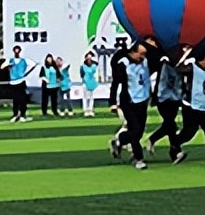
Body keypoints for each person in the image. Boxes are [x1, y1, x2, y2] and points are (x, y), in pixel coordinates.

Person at [172, 50, 205, 167]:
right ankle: (175, 143)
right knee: (189, 132)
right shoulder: (192, 68)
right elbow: (179, 68)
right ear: (200, 61)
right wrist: (186, 53)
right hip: (191, 107)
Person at [108, 41, 152, 170]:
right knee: (135, 130)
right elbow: (115, 83)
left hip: (142, 101)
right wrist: (112, 103)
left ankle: (119, 141)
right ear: (133, 52)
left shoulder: (145, 62)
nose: (142, 56)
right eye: (141, 54)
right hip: (129, 102)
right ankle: (139, 159)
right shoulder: (123, 64)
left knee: (139, 132)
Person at [147, 52, 185, 158]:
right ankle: (176, 151)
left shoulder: (180, 67)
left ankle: (153, 139)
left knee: (169, 125)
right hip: (163, 99)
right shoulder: (163, 65)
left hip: (175, 99)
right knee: (170, 124)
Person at [1, 46, 33, 123]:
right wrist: (8, 67)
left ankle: (22, 114)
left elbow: (33, 65)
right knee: (15, 99)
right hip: (13, 82)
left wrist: (26, 73)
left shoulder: (24, 60)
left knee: (22, 99)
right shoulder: (10, 60)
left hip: (21, 81)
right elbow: (2, 66)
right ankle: (15, 114)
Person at [79, 52, 100, 117]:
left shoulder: (94, 66)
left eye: (90, 58)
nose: (89, 59)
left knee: (91, 97)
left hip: (92, 82)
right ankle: (86, 110)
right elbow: (82, 75)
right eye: (88, 58)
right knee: (85, 97)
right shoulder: (83, 66)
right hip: (85, 83)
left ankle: (90, 110)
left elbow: (96, 65)